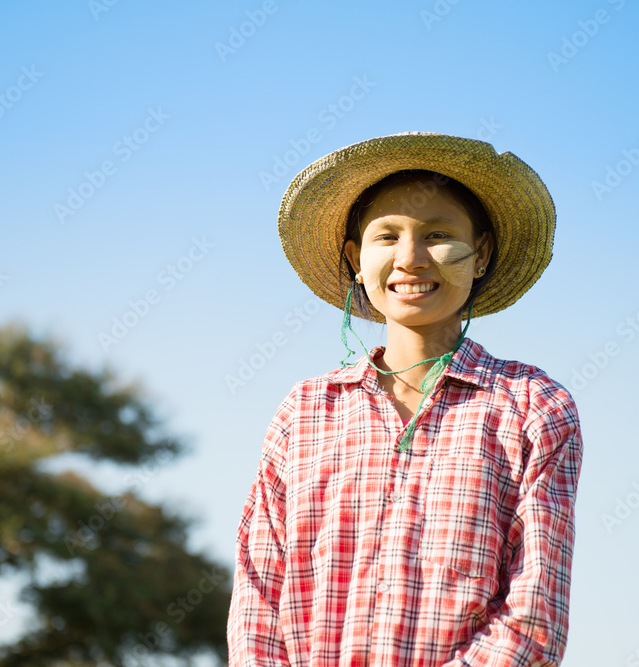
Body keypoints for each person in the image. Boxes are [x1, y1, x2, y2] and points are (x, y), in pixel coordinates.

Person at [227, 132, 584, 666]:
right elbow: (258, 600)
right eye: (387, 237)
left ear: (480, 253)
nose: (411, 259)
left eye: (438, 235)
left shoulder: (532, 408)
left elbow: (533, 617)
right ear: (355, 258)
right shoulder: (304, 414)